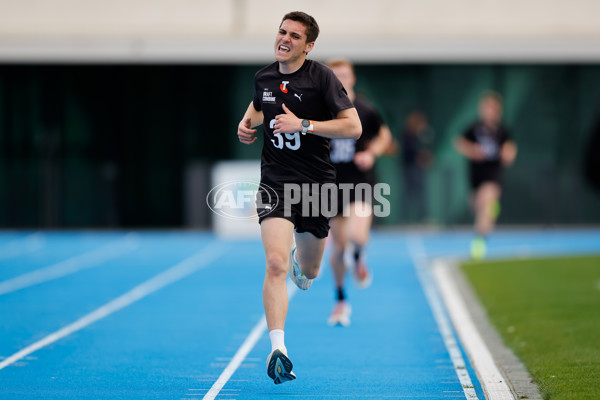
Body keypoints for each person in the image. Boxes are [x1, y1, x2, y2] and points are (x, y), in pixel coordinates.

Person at [237, 12, 361, 384]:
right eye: (281, 31)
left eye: (294, 35)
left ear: (308, 45)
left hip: (316, 186)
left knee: (309, 271)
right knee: (274, 265)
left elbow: (353, 127)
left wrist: (304, 124)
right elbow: (258, 109)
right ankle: (279, 348)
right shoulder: (263, 78)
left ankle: (301, 262)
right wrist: (245, 126)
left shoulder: (322, 77)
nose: (284, 39)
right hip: (275, 182)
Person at [325, 59, 392, 327]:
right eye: (335, 75)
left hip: (360, 182)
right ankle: (340, 299)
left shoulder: (365, 109)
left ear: (352, 79)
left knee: (356, 235)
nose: (340, 79)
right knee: (338, 248)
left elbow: (385, 136)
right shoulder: (321, 109)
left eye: (344, 75)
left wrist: (372, 153)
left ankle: (359, 256)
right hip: (330, 186)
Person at [454, 91, 517, 260]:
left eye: (492, 109)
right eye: (485, 108)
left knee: (486, 199)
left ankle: (479, 240)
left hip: (492, 174)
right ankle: (490, 212)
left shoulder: (502, 131)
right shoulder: (474, 128)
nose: (488, 112)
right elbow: (459, 142)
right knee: (478, 206)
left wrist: (509, 154)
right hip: (476, 175)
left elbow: (510, 148)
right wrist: (472, 151)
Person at [400, 111, 433, 224]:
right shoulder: (407, 136)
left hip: (417, 170)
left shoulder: (420, 136)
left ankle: (423, 218)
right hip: (410, 169)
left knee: (420, 194)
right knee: (409, 194)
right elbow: (409, 152)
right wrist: (418, 156)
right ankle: (405, 219)